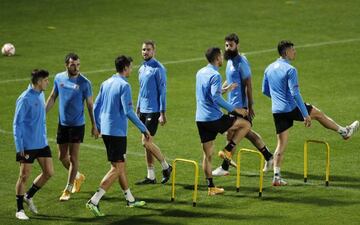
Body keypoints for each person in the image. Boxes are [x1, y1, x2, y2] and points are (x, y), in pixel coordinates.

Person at [262, 40, 359, 186]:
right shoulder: (290, 69)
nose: (295, 52)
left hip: (277, 110)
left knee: (281, 144)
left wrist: (278, 99)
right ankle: (344, 132)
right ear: (286, 52)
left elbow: (265, 91)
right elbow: (295, 93)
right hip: (291, 107)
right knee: (318, 114)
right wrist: (305, 114)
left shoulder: (268, 69)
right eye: (293, 50)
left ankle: (276, 176)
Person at [86, 55, 149, 217]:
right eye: (131, 67)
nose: (132, 69)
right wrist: (143, 128)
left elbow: (96, 107)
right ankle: (94, 200)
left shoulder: (105, 83)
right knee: (117, 168)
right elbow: (128, 111)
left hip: (107, 131)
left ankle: (130, 198)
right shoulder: (124, 86)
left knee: (120, 165)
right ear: (126, 67)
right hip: (117, 133)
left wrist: (99, 126)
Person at [212, 33, 274, 177]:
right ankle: (269, 157)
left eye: (231, 45)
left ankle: (225, 166)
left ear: (237, 45)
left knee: (232, 132)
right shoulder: (229, 61)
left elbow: (248, 85)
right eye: (226, 45)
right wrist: (221, 89)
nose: (228, 48)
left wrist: (250, 106)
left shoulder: (241, 62)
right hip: (232, 103)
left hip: (241, 106)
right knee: (246, 133)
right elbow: (230, 79)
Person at [196, 47, 251, 195]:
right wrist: (235, 110)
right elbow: (215, 98)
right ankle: (228, 150)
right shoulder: (215, 75)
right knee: (246, 124)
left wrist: (225, 89)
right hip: (214, 118)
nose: (222, 58)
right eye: (221, 55)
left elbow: (208, 94)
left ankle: (211, 187)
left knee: (207, 156)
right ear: (217, 58)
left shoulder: (200, 72)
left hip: (200, 119)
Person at [46, 53, 99, 201]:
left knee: (74, 158)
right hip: (62, 124)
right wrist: (42, 113)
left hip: (77, 125)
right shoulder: (59, 78)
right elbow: (52, 97)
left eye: (78, 65)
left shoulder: (84, 83)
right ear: (66, 65)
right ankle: (78, 176)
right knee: (62, 157)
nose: (76, 68)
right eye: (73, 65)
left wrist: (94, 125)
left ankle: (68, 189)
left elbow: (90, 105)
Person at [13, 69, 54, 220]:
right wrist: (20, 147)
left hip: (42, 142)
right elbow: (17, 124)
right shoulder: (24, 99)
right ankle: (19, 210)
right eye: (45, 80)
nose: (47, 82)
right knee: (24, 176)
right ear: (38, 82)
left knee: (49, 172)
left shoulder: (41, 94)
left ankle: (28, 195)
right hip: (28, 145)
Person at [135, 40, 172, 185]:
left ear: (154, 51)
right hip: (143, 110)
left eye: (148, 50)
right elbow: (141, 89)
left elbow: (162, 92)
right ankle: (151, 175)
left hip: (154, 110)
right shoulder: (141, 68)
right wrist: (137, 109)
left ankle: (166, 166)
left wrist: (162, 113)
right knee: (147, 143)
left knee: (146, 141)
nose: (145, 52)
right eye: (143, 49)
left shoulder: (158, 69)